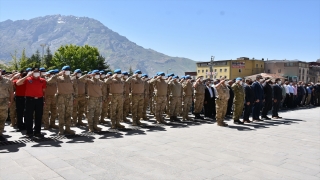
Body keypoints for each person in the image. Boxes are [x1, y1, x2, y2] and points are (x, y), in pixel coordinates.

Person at [47, 65, 78, 135]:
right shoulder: (58, 78)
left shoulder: (73, 78)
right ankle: (61, 129)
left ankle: (68, 128)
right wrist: (58, 74)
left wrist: (75, 97)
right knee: (61, 113)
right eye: (66, 70)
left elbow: (76, 89)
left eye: (68, 70)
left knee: (68, 113)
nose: (67, 71)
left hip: (70, 97)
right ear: (63, 71)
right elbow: (49, 81)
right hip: (61, 97)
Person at [16, 67, 46, 138]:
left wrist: (45, 100)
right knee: (29, 116)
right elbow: (18, 83)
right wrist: (27, 76)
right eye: (35, 72)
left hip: (39, 99)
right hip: (30, 100)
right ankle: (29, 132)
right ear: (32, 72)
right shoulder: (28, 79)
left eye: (38, 72)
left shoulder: (43, 80)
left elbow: (44, 91)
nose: (36, 73)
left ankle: (37, 132)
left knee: (39, 116)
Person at [0, 69, 14, 141]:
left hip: (4, 103)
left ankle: (0, 133)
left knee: (3, 118)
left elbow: (11, 92)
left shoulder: (7, 81)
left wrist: (11, 101)